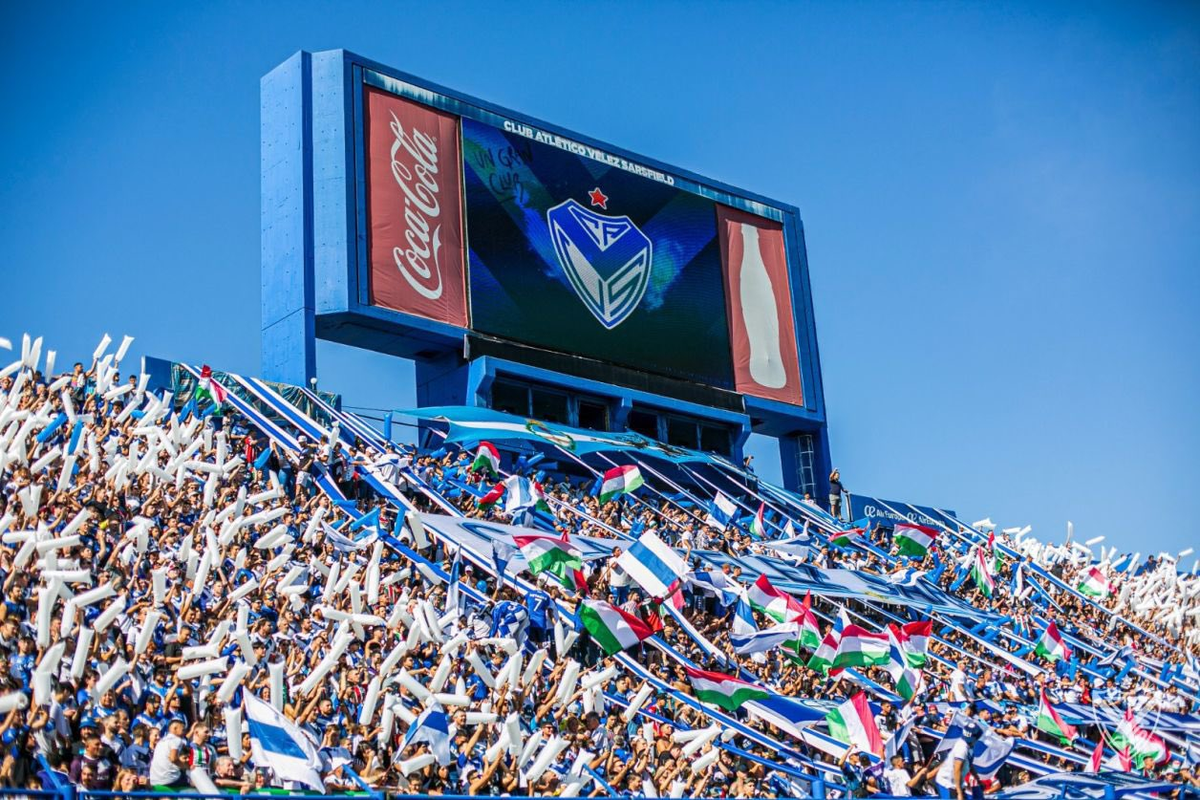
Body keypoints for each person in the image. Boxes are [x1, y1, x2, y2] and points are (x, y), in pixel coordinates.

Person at [934, 725, 980, 800]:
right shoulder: (962, 748)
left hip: (957, 782)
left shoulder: (970, 747)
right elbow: (957, 769)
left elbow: (969, 764)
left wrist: (977, 779)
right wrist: (959, 792)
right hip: (947, 782)